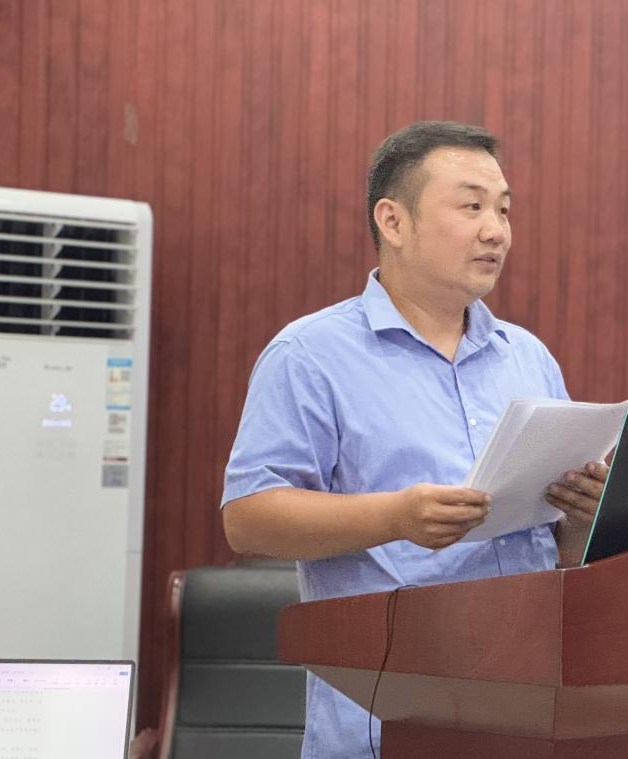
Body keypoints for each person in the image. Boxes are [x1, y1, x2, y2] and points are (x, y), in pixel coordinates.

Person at [220, 121, 607, 759]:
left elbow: (557, 547)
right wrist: (397, 517)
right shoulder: (310, 355)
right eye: (471, 207)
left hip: (527, 714)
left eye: (504, 210)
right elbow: (249, 518)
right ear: (393, 221)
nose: (496, 230)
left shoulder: (527, 357)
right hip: (384, 723)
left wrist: (582, 516)